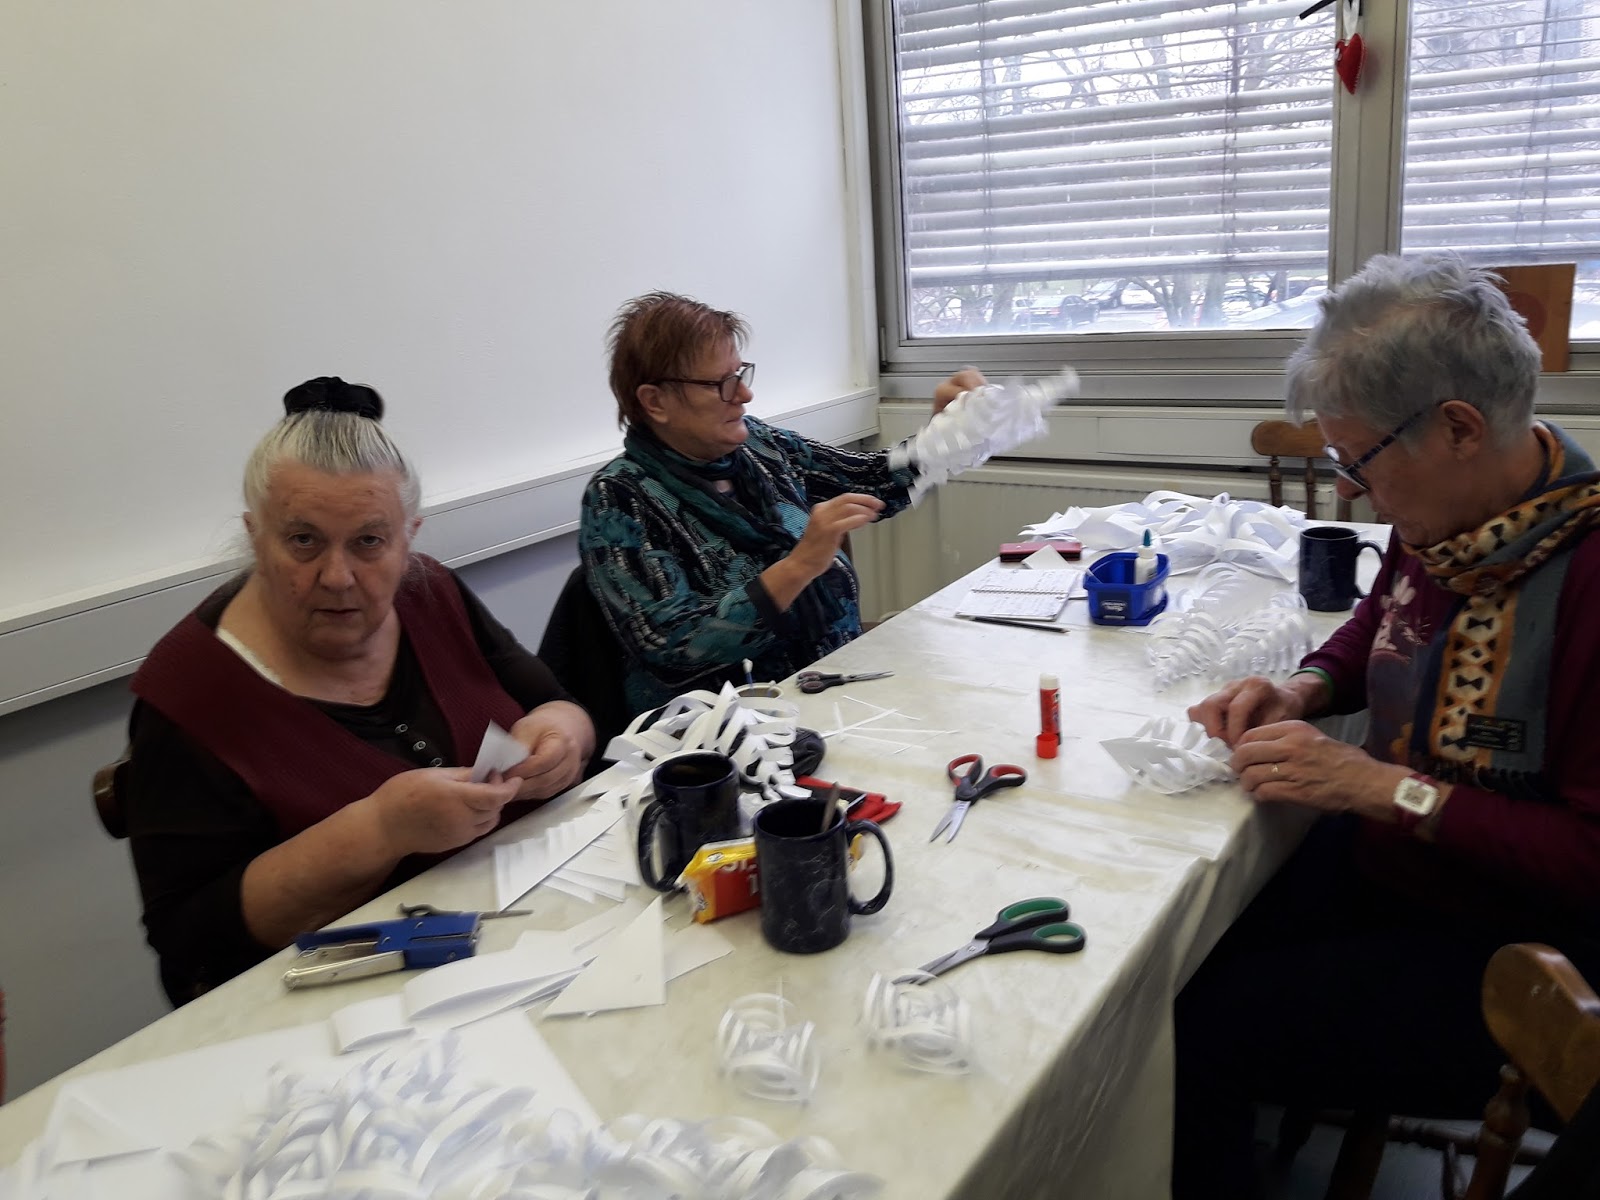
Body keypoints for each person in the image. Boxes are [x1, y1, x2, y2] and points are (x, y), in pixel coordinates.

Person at [1173, 252, 1600, 1198]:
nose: (1351, 490)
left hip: (1518, 947)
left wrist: (1384, 788)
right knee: (1176, 949)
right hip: (1409, 866)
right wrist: (1305, 689)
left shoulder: (1587, 575)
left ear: (1459, 427)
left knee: (1204, 1027)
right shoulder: (1455, 515)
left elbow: (1588, 858)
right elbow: (1380, 623)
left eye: (1357, 460)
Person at [125, 378, 595, 1005]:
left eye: (370, 542)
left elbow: (554, 704)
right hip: (337, 1007)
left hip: (516, 945)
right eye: (303, 541)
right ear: (256, 536)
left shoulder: (430, 593)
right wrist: (381, 829)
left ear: (408, 538)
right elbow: (192, 940)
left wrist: (562, 737)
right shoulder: (192, 691)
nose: (338, 577)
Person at [579, 290, 982, 712]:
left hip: (829, 682)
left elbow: (873, 482)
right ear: (655, 401)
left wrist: (944, 429)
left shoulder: (759, 446)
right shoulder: (618, 498)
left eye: (740, 374)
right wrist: (800, 565)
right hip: (723, 727)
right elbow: (673, 645)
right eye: (720, 383)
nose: (744, 394)